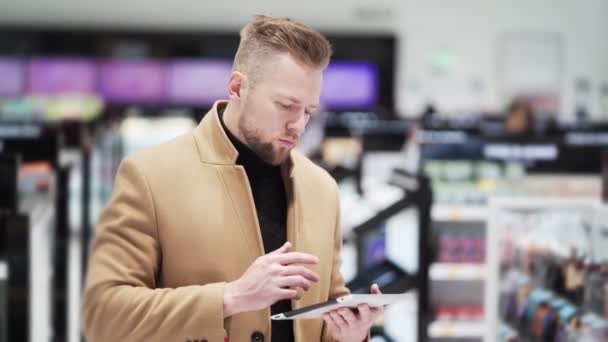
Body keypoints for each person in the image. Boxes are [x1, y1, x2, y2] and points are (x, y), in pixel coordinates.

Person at [82, 15, 383, 342]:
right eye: (285, 105)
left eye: (308, 111)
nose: (298, 125)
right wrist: (232, 297)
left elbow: (325, 317)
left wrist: (352, 335)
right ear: (237, 87)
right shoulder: (149, 175)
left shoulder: (321, 187)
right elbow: (103, 316)